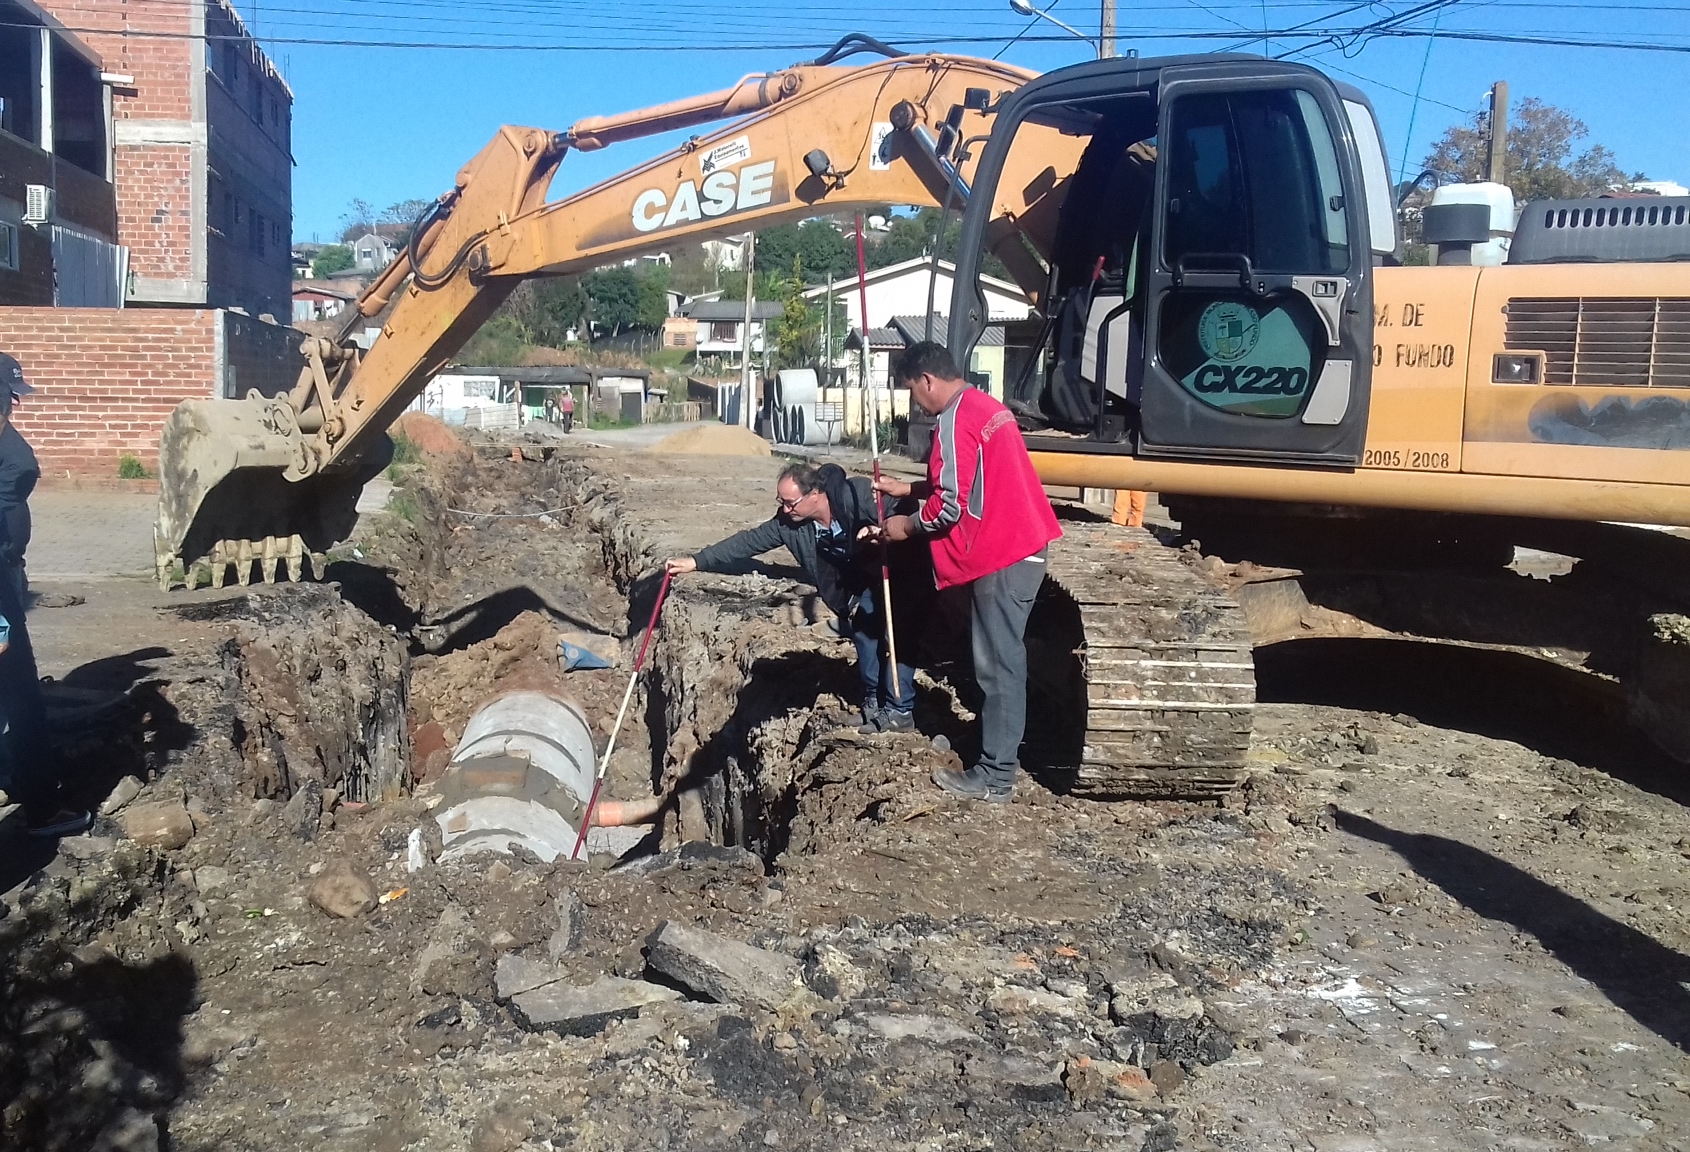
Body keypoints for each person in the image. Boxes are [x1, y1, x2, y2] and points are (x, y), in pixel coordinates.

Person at [872, 342, 1062, 803]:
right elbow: (971, 480)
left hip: (1001, 553)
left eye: (913, 391)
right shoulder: (985, 407)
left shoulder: (955, 419)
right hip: (1021, 545)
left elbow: (950, 508)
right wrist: (911, 486)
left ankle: (996, 775)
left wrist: (904, 526)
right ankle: (999, 758)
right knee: (1003, 662)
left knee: (998, 666)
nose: (916, 402)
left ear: (927, 380)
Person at [666, 461, 928, 733]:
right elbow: (748, 541)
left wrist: (883, 529)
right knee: (863, 632)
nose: (785, 509)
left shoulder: (857, 493)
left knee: (898, 638)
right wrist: (697, 561)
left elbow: (905, 508)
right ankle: (874, 702)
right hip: (857, 583)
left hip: (900, 570)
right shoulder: (791, 523)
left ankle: (899, 711)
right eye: (782, 501)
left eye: (791, 502)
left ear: (815, 493)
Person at [0, 354, 91, 836]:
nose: (14, 406)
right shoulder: (10, 452)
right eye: (9, 397)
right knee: (20, 694)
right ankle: (38, 806)